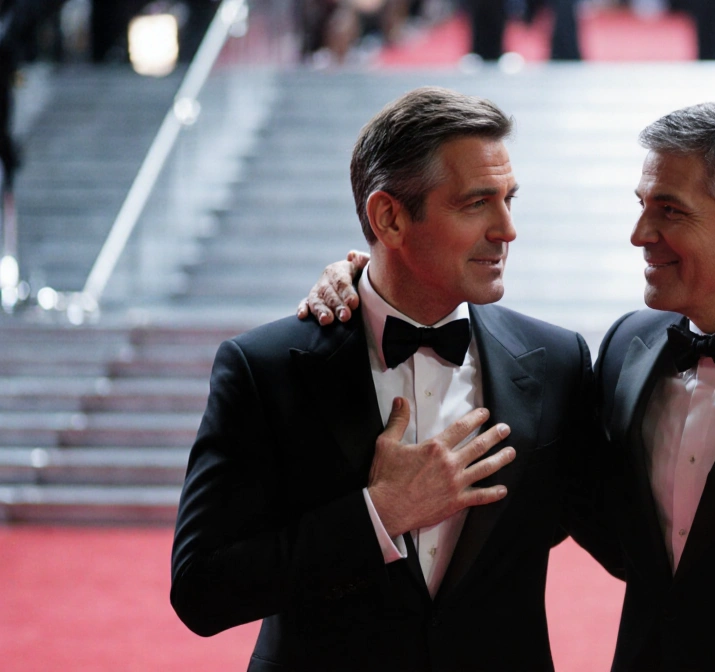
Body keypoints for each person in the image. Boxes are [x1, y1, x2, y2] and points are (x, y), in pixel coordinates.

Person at [303, 101, 715, 670]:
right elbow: (576, 506)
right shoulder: (629, 348)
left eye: (670, 211)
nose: (638, 234)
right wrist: (364, 281)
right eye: (641, 205)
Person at [171, 86, 615, 670]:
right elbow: (202, 590)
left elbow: (594, 531)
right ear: (390, 217)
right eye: (477, 203)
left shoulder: (557, 361)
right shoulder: (266, 369)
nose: (507, 229)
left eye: (509, 198)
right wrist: (379, 514)